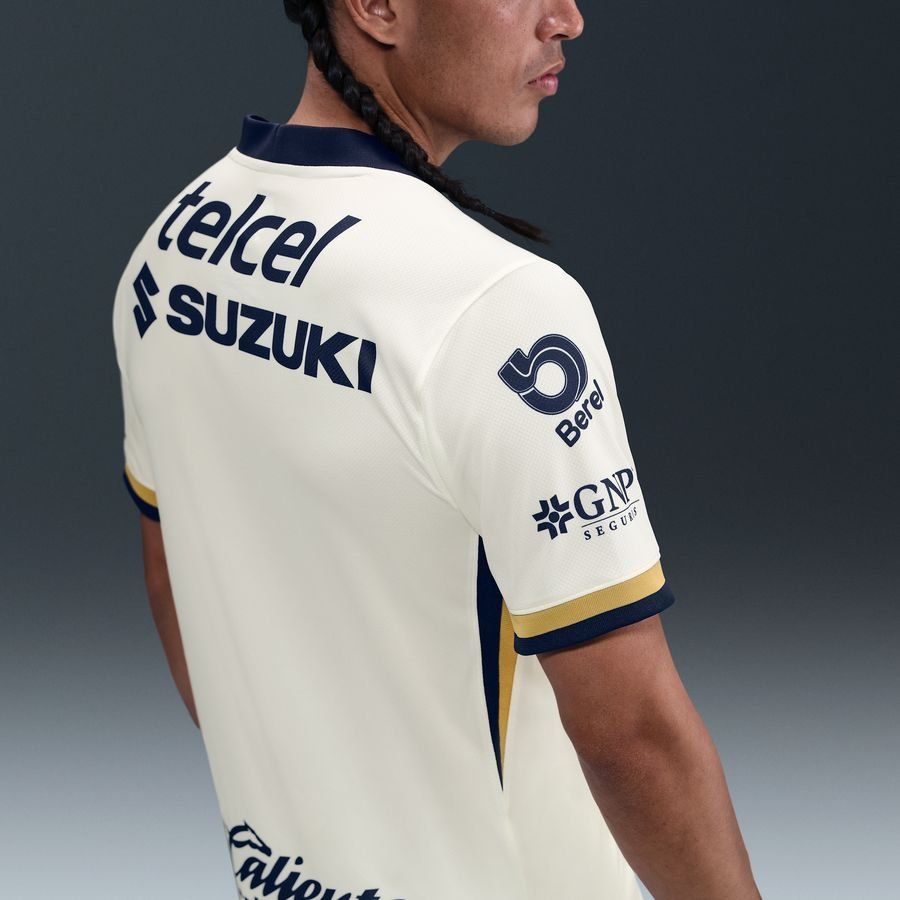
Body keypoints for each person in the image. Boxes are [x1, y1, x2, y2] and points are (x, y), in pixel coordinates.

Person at [112, 1, 762, 898]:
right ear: (377, 7)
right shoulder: (501, 310)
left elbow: (172, 584)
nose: (568, 18)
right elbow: (632, 733)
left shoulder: (167, 254)